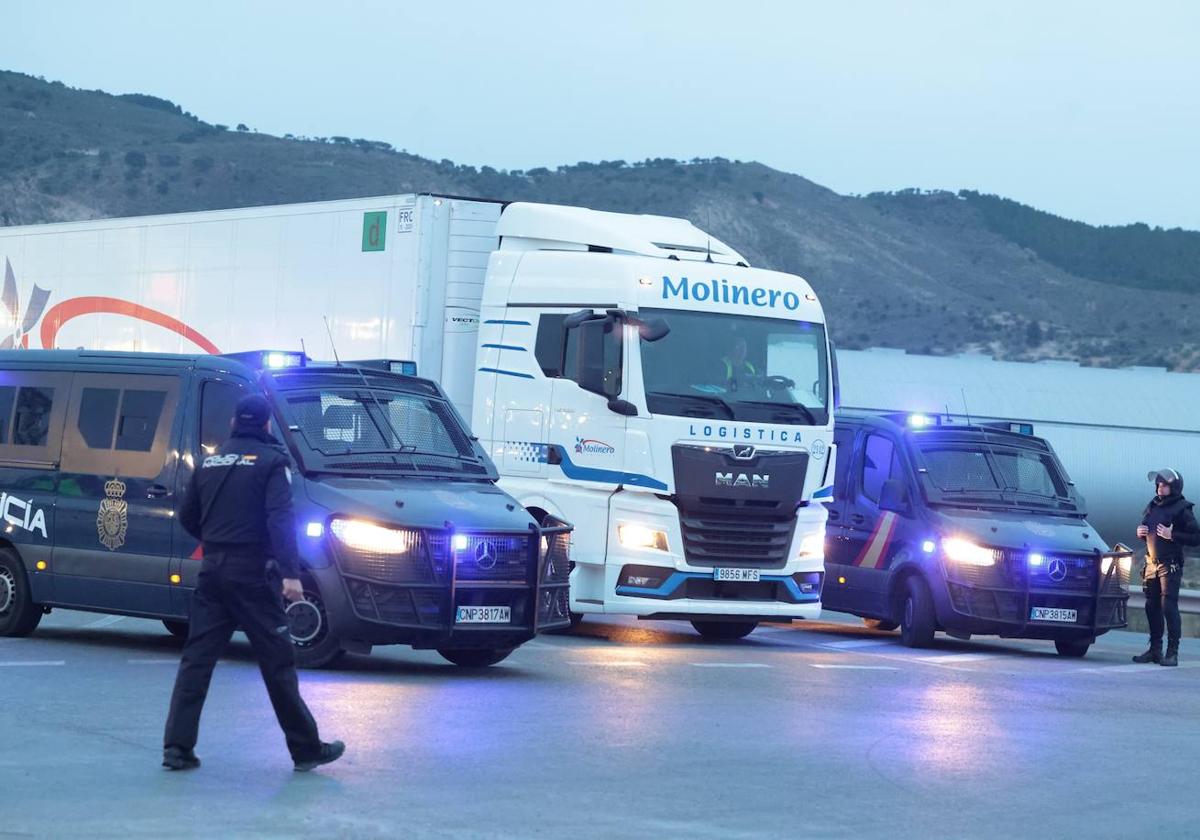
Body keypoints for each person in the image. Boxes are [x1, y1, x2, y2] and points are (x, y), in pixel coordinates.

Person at [162, 394, 344, 771]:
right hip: (254, 576)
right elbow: (280, 518)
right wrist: (291, 574)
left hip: (212, 572)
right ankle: (305, 748)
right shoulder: (273, 463)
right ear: (265, 426)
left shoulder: (210, 462)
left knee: (196, 662)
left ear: (233, 424)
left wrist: (214, 540)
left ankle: (177, 749)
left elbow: (187, 516)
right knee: (278, 664)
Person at [1132, 468, 1199, 667]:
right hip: (1151, 564)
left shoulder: (1182, 508)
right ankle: (1155, 651)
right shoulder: (1153, 505)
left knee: (1168, 606)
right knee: (1151, 607)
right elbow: (1146, 527)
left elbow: (1196, 537)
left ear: (1174, 487)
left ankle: (1172, 653)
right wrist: (1140, 532)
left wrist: (1173, 535)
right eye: (1158, 484)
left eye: (1164, 484)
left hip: (1170, 565)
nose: (1160, 487)